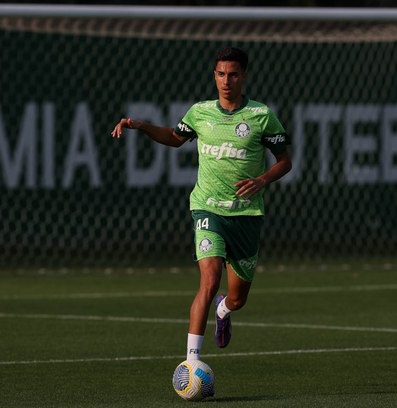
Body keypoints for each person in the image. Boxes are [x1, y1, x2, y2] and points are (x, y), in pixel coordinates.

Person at [111, 46, 292, 361]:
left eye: (233, 74)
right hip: (207, 209)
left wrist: (262, 180)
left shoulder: (262, 116)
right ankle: (191, 362)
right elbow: (174, 137)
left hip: (247, 215)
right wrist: (140, 125)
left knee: (238, 299)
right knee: (208, 280)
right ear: (214, 75)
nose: (226, 81)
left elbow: (285, 161)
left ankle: (225, 309)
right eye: (221, 74)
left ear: (244, 76)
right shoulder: (200, 112)